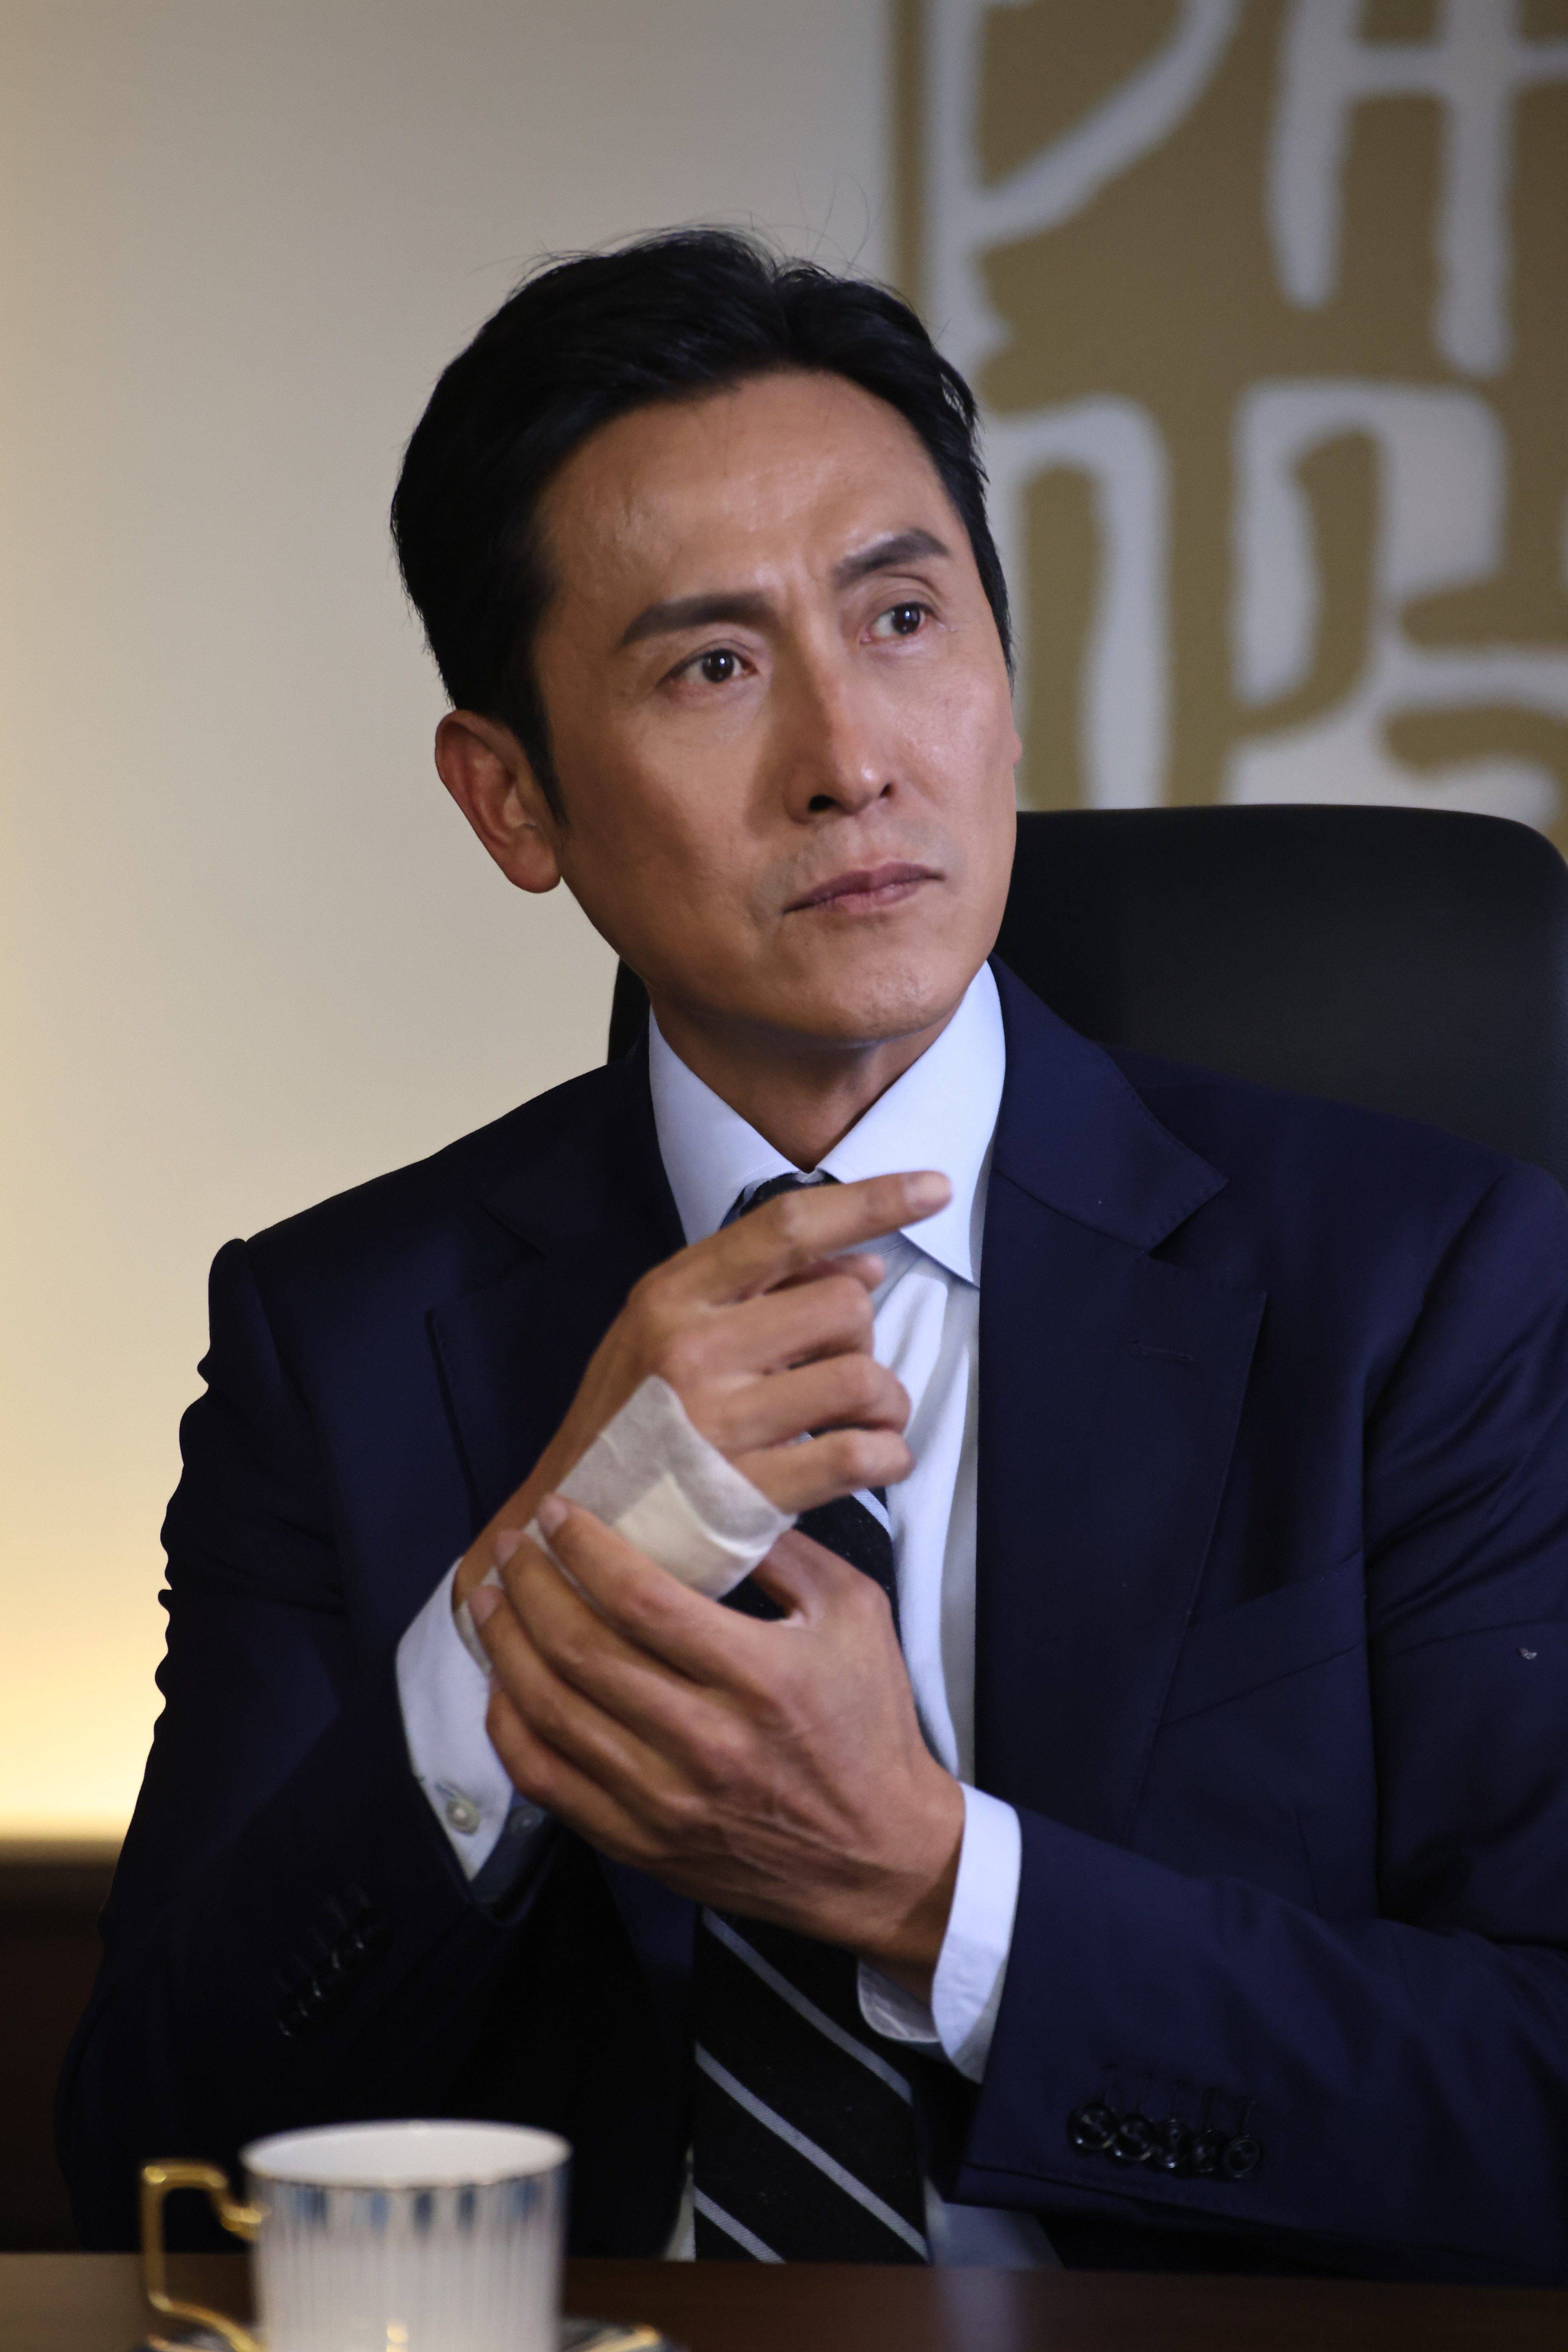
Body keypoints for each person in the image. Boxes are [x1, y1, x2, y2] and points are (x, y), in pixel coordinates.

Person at [58, 230, 1568, 2282]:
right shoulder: (340, 1341)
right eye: (712, 667)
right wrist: (524, 1612)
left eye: (902, 617)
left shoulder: (1428, 1286)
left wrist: (934, 1888)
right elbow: (156, 2162)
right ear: (510, 802)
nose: (850, 758)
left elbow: (1535, 2092)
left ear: (1004, 685)